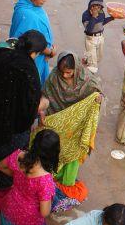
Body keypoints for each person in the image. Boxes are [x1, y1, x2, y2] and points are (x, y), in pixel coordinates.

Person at [0, 30, 48, 189]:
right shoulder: (28, 71)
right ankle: (0, 186)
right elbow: (31, 107)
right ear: (33, 53)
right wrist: (45, 104)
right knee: (5, 160)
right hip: (10, 128)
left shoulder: (1, 49)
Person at [41, 52, 103, 186]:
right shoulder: (53, 78)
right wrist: (41, 112)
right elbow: (46, 96)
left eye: (68, 72)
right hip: (57, 120)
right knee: (55, 149)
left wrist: (98, 98)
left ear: (76, 69)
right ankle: (52, 177)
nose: (64, 75)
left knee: (73, 152)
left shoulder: (86, 79)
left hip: (76, 125)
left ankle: (67, 181)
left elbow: (98, 92)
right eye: (62, 72)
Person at [9, 0, 54, 84]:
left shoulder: (28, 4)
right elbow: (32, 44)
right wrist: (50, 52)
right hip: (34, 57)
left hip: (42, 53)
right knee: (32, 83)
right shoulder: (28, 16)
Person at [82, 0, 114, 73]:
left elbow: (102, 22)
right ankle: (90, 74)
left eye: (99, 7)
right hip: (90, 39)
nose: (97, 9)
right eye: (94, 6)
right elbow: (89, 29)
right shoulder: (85, 15)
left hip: (100, 37)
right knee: (93, 63)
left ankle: (87, 59)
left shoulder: (101, 13)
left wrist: (112, 18)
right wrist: (93, 17)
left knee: (99, 57)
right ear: (90, 6)